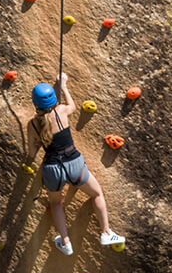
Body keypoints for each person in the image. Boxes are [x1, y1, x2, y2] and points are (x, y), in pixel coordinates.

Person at [27, 73, 125, 255]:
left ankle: (65, 242)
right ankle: (106, 232)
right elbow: (72, 105)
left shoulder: (32, 125)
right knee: (96, 194)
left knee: (56, 204)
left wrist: (40, 141)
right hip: (73, 162)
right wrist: (63, 85)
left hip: (52, 168)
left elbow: (32, 153)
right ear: (53, 101)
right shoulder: (62, 111)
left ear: (35, 103)